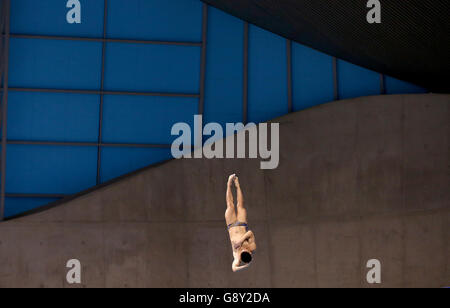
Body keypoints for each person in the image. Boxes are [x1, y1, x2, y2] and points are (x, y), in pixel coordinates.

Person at [225, 174, 257, 272]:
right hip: (242, 224)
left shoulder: (237, 257)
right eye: (245, 251)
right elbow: (250, 233)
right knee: (240, 205)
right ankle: (237, 185)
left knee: (230, 205)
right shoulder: (252, 247)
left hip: (231, 226)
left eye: (242, 252)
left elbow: (234, 269)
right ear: (250, 253)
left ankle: (229, 184)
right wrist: (240, 242)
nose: (243, 250)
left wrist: (246, 266)